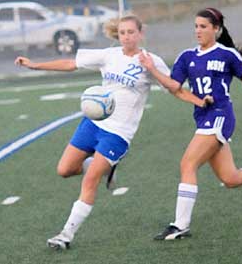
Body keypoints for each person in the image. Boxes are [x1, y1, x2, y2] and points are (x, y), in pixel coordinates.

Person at [14, 15, 208, 249]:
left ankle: (65, 235)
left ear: (140, 34)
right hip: (93, 124)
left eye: (131, 32)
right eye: (122, 32)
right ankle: (107, 169)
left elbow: (173, 88)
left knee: (90, 180)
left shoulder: (151, 60)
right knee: (64, 169)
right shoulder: (109, 55)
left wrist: (198, 101)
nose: (126, 36)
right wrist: (34, 64)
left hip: (118, 133)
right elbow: (70, 64)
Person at [139, 7, 242, 240]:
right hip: (203, 118)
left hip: (220, 115)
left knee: (187, 164)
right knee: (231, 179)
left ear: (216, 30)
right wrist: (151, 69)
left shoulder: (227, 55)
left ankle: (180, 225)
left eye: (203, 26)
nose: (198, 30)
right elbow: (173, 87)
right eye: (196, 26)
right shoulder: (186, 57)